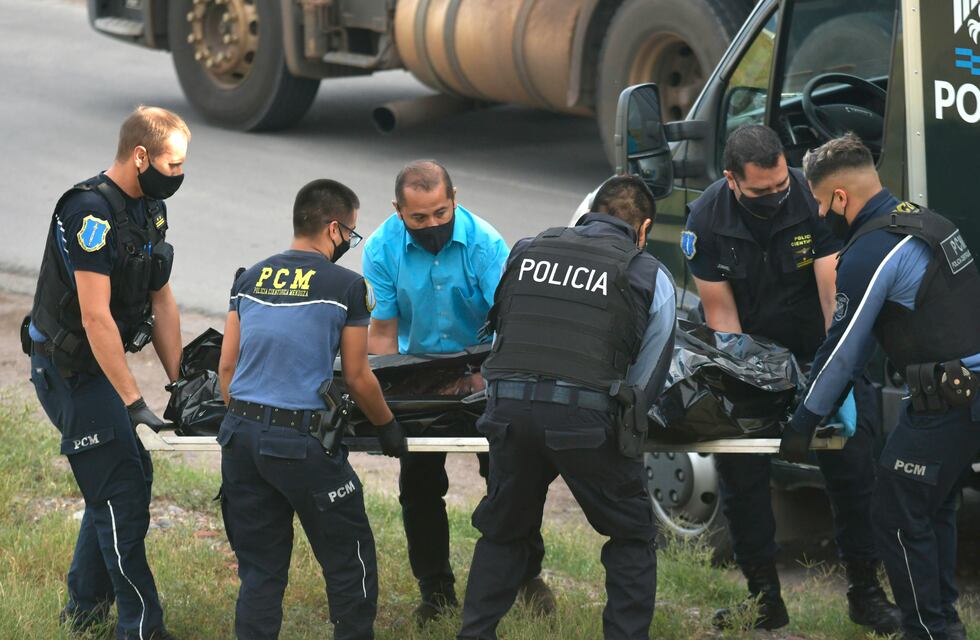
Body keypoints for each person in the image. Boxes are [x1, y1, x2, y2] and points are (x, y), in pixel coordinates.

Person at [682, 125, 900, 633]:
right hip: (751, 358)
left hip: (818, 349)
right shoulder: (706, 220)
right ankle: (763, 599)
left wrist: (831, 381)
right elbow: (723, 319)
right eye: (763, 191)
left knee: (854, 467)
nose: (777, 195)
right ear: (732, 180)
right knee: (742, 478)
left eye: (781, 183)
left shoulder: (808, 197)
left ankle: (866, 593)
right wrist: (750, 388)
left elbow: (831, 296)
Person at [457, 175, 675, 640]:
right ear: (643, 229)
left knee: (503, 530)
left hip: (509, 415)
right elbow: (646, 380)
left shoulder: (526, 251)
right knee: (632, 534)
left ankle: (474, 633)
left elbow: (503, 338)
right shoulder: (649, 273)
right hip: (586, 421)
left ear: (588, 212)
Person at [781, 134, 980, 640]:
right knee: (932, 508)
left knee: (894, 513)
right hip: (961, 396)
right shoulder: (929, 222)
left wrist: (803, 422)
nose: (820, 214)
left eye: (820, 203)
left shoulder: (872, 250)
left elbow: (843, 348)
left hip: (950, 402)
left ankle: (930, 631)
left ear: (840, 197)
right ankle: (943, 624)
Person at [216, 179, 408, 640]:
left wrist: (247, 420)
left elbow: (226, 368)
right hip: (300, 443)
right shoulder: (347, 286)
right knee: (349, 559)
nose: (349, 242)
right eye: (351, 233)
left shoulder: (250, 278)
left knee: (260, 569)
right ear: (334, 228)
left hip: (240, 438)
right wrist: (387, 427)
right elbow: (358, 376)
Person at [362, 160, 552, 623]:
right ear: (398, 210)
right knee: (419, 488)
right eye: (418, 217)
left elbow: (510, 325)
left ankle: (527, 575)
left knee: (507, 480)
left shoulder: (486, 244)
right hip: (418, 371)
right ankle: (435, 591)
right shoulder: (381, 247)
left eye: (440, 213)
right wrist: (388, 402)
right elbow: (382, 333)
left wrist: (487, 381)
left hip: (485, 369)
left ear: (454, 199)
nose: (432, 224)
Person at [23, 106, 188, 640]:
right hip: (68, 371)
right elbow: (95, 317)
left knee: (126, 477)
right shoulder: (88, 213)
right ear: (140, 156)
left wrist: (182, 384)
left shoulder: (150, 209)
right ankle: (141, 628)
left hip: (99, 368)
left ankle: (83, 610)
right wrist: (135, 402)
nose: (179, 174)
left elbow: (163, 300)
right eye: (172, 163)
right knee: (120, 490)